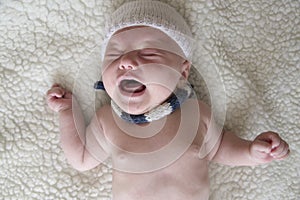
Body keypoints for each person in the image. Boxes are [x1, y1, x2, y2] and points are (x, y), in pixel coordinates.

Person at [46, 1, 290, 199]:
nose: (126, 62)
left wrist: (250, 152)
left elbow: (220, 147)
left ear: (182, 72)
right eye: (114, 56)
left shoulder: (195, 113)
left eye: (149, 53)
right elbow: (81, 157)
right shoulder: (108, 121)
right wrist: (67, 111)